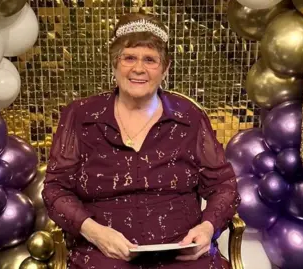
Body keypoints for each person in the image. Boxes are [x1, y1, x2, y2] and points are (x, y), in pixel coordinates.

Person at [42, 12, 240, 269]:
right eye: (129, 58)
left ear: (165, 68)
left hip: (180, 252)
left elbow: (223, 185)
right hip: (105, 252)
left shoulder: (190, 118)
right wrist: (93, 232)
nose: (138, 68)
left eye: (150, 60)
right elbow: (55, 189)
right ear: (114, 64)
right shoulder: (80, 116)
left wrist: (206, 228)